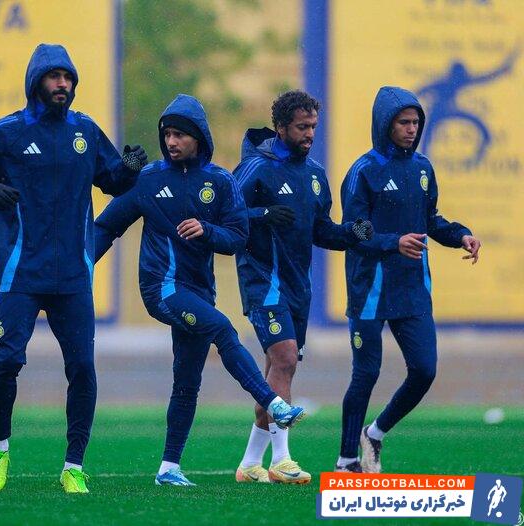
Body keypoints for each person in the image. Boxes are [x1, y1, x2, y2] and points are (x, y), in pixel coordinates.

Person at [0, 44, 147, 494]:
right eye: (55, 77)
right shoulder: (8, 133)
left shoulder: (85, 131)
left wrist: (130, 169)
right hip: (22, 273)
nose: (63, 84)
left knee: (82, 368)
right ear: (36, 81)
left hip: (73, 276)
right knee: (7, 361)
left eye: (68, 78)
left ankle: (73, 466)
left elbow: (113, 180)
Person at [94, 94, 304, 487]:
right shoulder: (149, 179)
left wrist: (206, 230)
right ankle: (274, 402)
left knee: (187, 381)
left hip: (198, 291)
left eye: (180, 135)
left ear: (199, 138)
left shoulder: (221, 181)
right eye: (167, 134)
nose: (171, 141)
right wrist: (81, 265)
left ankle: (168, 469)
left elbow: (237, 237)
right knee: (222, 328)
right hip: (161, 288)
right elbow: (106, 226)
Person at [336, 86, 481, 473]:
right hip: (370, 288)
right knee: (366, 374)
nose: (411, 129)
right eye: (404, 122)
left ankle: (375, 433)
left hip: (412, 289)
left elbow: (431, 220)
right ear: (386, 124)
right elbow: (355, 229)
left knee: (424, 370)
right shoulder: (363, 171)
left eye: (416, 122)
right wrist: (392, 242)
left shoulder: (422, 169)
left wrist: (461, 235)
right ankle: (347, 460)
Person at [232, 91, 372, 485]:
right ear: (280, 128)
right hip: (263, 281)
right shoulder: (256, 167)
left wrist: (352, 234)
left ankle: (249, 464)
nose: (310, 133)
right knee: (285, 359)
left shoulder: (314, 174)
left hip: (298, 287)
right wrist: (262, 213)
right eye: (301, 127)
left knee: (278, 373)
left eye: (313, 126)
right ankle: (282, 460)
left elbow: (321, 230)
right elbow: (225, 213)